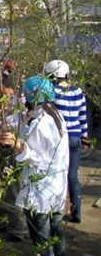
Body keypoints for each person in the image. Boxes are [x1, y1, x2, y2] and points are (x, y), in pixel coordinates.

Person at [0, 76, 69, 256]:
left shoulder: (42, 123)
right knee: (56, 235)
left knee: (42, 241)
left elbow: (40, 159)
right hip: (56, 190)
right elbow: (23, 121)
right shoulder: (55, 115)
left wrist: (19, 147)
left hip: (41, 192)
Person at [44, 59, 87, 224]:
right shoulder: (78, 91)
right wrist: (86, 138)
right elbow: (83, 117)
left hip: (60, 137)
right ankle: (76, 212)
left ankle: (54, 209)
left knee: (56, 174)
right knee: (73, 176)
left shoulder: (52, 91)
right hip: (76, 136)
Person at [0, 72, 27, 241]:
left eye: (1, 91)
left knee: (13, 189)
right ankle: (5, 221)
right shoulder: (2, 103)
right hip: (2, 148)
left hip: (13, 149)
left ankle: (16, 229)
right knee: (3, 188)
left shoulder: (19, 104)